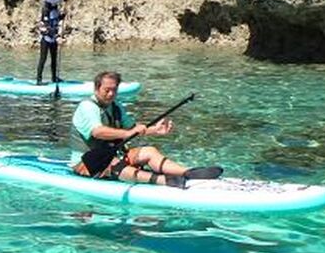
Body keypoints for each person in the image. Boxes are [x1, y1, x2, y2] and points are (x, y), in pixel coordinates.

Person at [70, 71, 223, 188]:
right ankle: (163, 180)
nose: (111, 94)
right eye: (107, 90)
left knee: (149, 151)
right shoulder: (87, 106)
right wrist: (128, 133)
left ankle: (187, 172)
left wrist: (154, 130)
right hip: (86, 163)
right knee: (114, 163)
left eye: (114, 90)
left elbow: (133, 128)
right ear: (97, 88)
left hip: (111, 156)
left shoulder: (116, 107)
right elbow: (98, 132)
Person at [36, 0, 64, 84]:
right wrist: (57, 36)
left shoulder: (55, 8)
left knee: (54, 59)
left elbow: (57, 19)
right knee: (43, 59)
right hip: (46, 39)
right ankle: (39, 80)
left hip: (53, 39)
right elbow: (47, 26)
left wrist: (62, 16)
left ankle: (54, 78)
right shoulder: (45, 10)